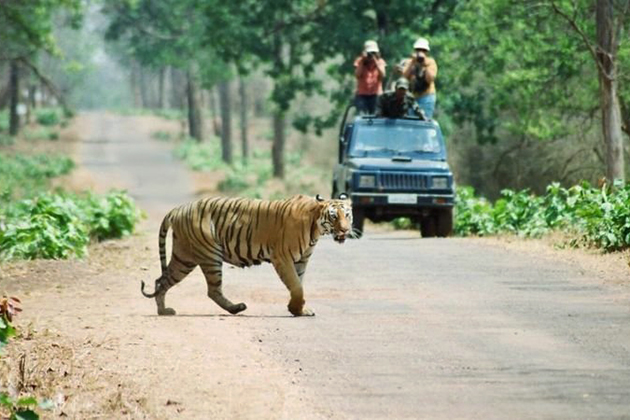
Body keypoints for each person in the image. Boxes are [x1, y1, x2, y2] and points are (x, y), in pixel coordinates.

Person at [403, 37, 437, 119]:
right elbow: (405, 76)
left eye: (423, 50)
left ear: (426, 52)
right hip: (412, 97)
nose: (420, 52)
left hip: (427, 97)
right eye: (418, 49)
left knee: (425, 122)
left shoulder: (431, 62)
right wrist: (413, 62)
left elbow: (430, 79)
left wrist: (424, 64)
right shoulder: (410, 62)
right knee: (410, 123)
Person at [353, 40, 386, 114]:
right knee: (361, 115)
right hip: (362, 94)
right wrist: (362, 61)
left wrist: (376, 62)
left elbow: (383, 75)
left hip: (376, 94)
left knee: (376, 115)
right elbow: (357, 75)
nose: (371, 55)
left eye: (373, 53)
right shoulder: (359, 61)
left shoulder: (380, 61)